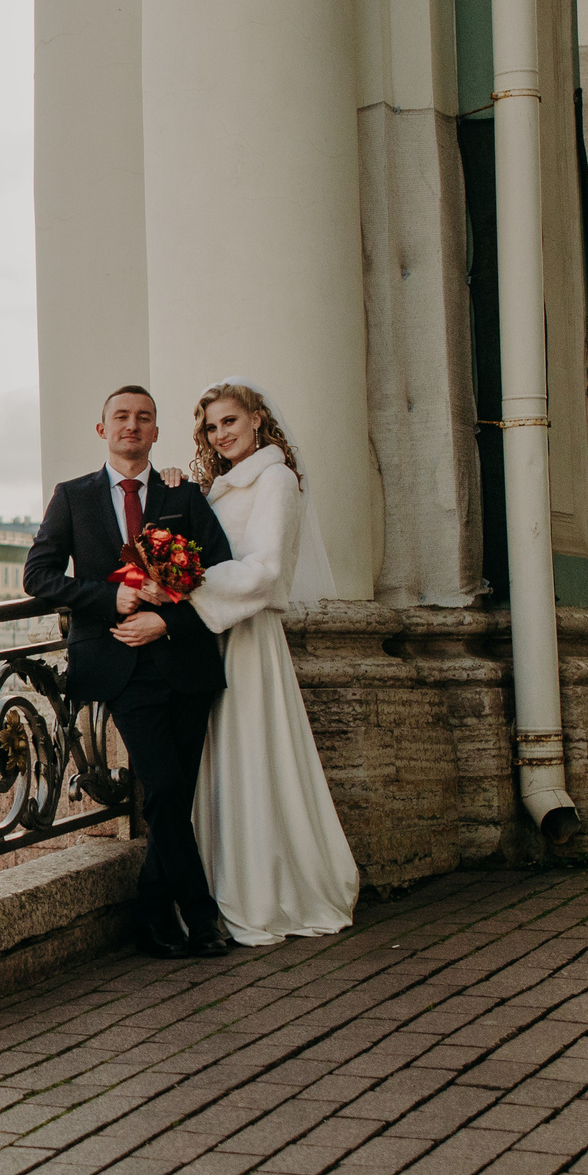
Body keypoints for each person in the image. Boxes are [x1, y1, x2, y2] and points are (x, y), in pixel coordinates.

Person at [25, 385, 236, 960]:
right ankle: (200, 914)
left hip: (185, 660)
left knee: (175, 795)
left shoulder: (181, 494)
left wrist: (166, 623)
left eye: (144, 418)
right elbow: (38, 576)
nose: (131, 426)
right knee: (164, 787)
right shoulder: (72, 497)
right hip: (119, 665)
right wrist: (107, 598)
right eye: (120, 417)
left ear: (156, 432)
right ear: (102, 430)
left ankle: (152, 917)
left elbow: (219, 574)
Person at [172, 379, 360, 945]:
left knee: (252, 753)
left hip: (248, 637)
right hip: (216, 634)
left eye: (230, 421)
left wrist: (186, 587)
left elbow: (267, 569)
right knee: (224, 757)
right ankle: (225, 882)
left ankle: (266, 889)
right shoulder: (219, 488)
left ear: (257, 419)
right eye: (211, 426)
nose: (220, 433)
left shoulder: (275, 479)